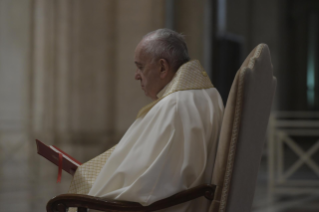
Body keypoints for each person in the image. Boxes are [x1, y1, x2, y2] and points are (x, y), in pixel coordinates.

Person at [68, 28, 224, 212]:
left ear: (162, 67)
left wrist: (92, 190)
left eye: (140, 67)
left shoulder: (174, 106)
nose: (136, 75)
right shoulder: (208, 94)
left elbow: (146, 186)